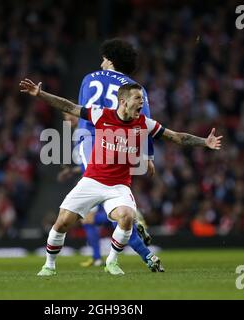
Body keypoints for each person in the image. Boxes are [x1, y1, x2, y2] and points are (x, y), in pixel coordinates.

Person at [19, 78, 222, 276]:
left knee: (127, 217)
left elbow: (177, 136)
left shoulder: (145, 124)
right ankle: (49, 266)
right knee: (62, 222)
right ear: (123, 101)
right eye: (137, 99)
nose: (142, 103)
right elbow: (69, 106)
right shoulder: (101, 115)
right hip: (92, 181)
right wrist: (40, 94)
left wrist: (205, 142)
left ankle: (112, 262)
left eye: (142, 99)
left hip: (118, 186)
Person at [76, 39, 158, 270]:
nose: (101, 64)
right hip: (122, 144)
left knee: (102, 202)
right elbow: (145, 123)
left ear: (110, 60)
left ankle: (142, 245)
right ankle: (144, 251)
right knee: (108, 202)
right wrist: (147, 156)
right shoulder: (136, 88)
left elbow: (84, 113)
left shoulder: (89, 78)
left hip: (92, 141)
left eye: (104, 59)